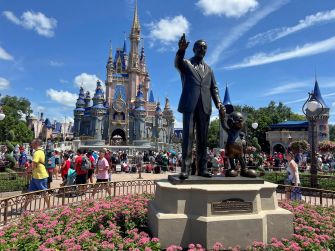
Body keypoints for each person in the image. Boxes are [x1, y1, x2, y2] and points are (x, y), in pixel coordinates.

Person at [175, 33, 225, 179]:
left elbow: (214, 88)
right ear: (194, 49)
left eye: (205, 48)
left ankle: (202, 169)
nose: (203, 50)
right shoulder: (186, 64)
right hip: (189, 105)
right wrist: (181, 50)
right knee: (188, 137)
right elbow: (177, 63)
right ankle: (186, 168)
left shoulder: (209, 69)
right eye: (200, 47)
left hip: (205, 106)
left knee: (203, 138)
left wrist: (219, 103)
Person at [23, 139, 50, 210]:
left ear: (36, 143)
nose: (31, 144)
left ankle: (50, 207)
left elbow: (33, 164)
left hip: (40, 176)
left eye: (32, 143)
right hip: (36, 175)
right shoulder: (40, 151)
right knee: (31, 192)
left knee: (44, 192)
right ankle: (24, 207)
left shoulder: (37, 152)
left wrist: (27, 170)